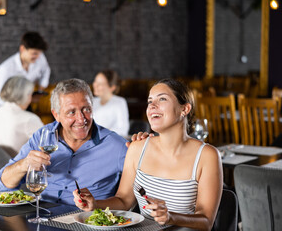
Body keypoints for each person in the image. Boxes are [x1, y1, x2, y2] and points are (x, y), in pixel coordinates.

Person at [73, 78, 223, 231]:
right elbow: (124, 201)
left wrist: (170, 217)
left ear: (184, 109)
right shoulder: (137, 148)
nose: (152, 106)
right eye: (150, 101)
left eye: (162, 99)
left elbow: (206, 221)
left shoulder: (207, 156)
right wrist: (95, 204)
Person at [0, 78, 128, 205]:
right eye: (71, 112)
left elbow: (133, 194)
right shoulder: (43, 137)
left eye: (86, 109)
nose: (81, 119)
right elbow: (3, 184)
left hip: (86, 221)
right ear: (56, 115)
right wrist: (24, 164)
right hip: (43, 216)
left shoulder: (116, 145)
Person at [0, 31, 50, 108]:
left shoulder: (40, 58)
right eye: (34, 53)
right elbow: (1, 99)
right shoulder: (5, 69)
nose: (38, 57)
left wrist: (41, 87)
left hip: (25, 103)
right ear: (22, 49)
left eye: (40, 53)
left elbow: (46, 71)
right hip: (5, 106)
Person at [0, 76, 44, 155]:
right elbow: (47, 145)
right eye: (30, 94)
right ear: (26, 95)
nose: (31, 99)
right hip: (17, 165)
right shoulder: (29, 119)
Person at [92, 70, 129, 137]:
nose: (95, 85)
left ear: (112, 87)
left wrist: (101, 133)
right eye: (95, 82)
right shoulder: (92, 101)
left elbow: (123, 130)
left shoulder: (119, 102)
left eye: (100, 84)